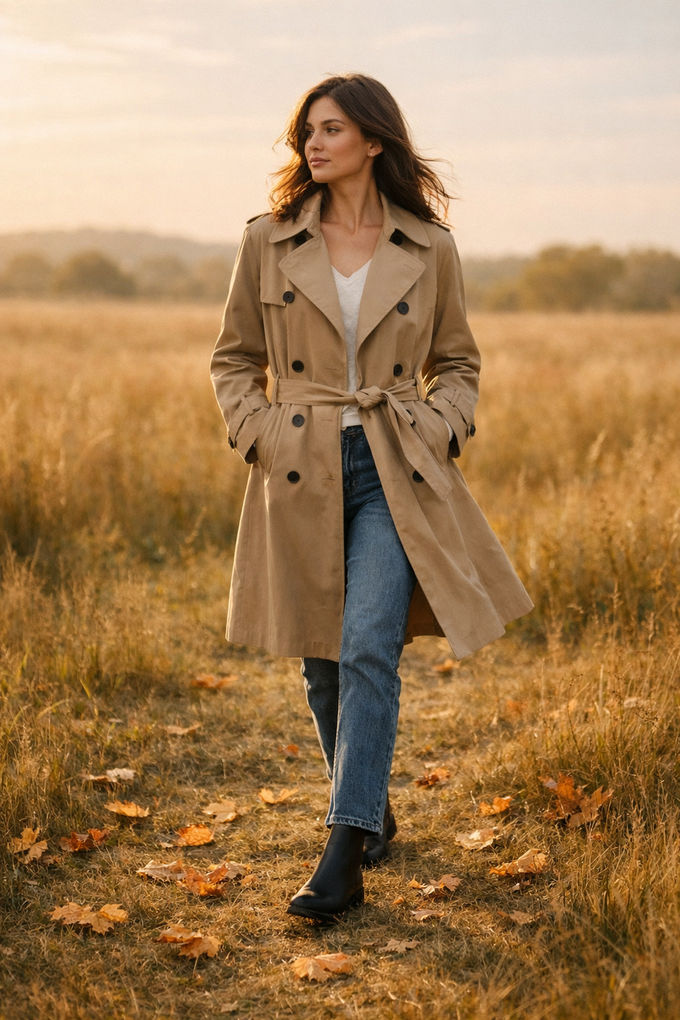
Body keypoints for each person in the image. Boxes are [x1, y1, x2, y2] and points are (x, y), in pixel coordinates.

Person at [210, 73, 533, 922]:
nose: (312, 144)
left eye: (331, 130)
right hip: (299, 465)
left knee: (366, 649)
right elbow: (234, 360)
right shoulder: (268, 240)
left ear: (374, 142)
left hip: (396, 466)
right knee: (321, 665)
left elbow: (457, 362)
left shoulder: (429, 246)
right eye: (306, 132)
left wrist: (438, 425)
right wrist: (259, 430)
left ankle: (345, 846)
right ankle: (373, 804)